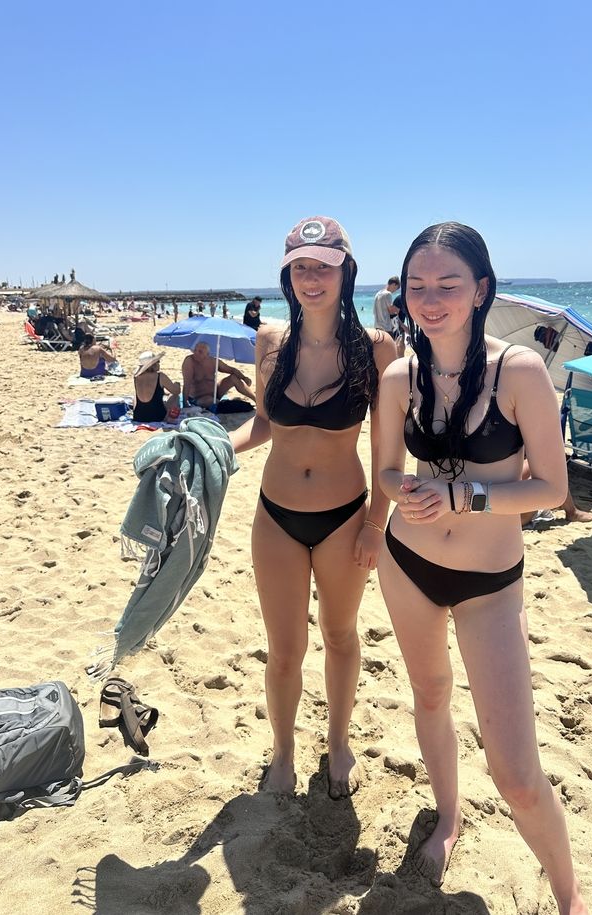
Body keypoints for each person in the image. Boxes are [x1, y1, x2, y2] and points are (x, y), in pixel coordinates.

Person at [376, 223, 588, 913]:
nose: (430, 299)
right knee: (430, 695)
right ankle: (447, 814)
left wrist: (467, 495)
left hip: (490, 586)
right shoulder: (397, 376)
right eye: (417, 286)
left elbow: (554, 488)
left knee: (519, 775)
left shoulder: (519, 371)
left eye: (447, 285)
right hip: (406, 562)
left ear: (481, 290)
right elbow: (382, 469)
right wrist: (401, 490)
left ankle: (569, 896)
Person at [229, 216, 396, 798]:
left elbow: (386, 452)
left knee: (340, 634)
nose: (312, 277)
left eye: (324, 265)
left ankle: (341, 744)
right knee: (284, 649)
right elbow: (263, 424)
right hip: (274, 513)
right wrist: (217, 449)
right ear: (287, 275)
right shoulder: (271, 341)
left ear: (346, 271)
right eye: (301, 266)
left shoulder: (375, 349)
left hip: (345, 515)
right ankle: (282, 751)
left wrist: (377, 524)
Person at [182, 342, 256, 408]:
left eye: (200, 352)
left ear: (207, 354)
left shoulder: (213, 361)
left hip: (215, 393)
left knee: (233, 378)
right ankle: (224, 404)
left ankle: (257, 400)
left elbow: (232, 370)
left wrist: (244, 378)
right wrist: (185, 403)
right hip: (198, 397)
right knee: (209, 401)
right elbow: (187, 383)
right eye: (195, 350)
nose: (196, 353)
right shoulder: (189, 362)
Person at [132, 350, 181, 422]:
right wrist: (177, 384)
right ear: (153, 364)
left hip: (139, 416)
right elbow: (176, 391)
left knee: (134, 396)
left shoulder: (136, 377)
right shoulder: (160, 376)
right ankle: (169, 417)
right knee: (175, 397)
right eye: (157, 362)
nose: (159, 363)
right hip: (158, 416)